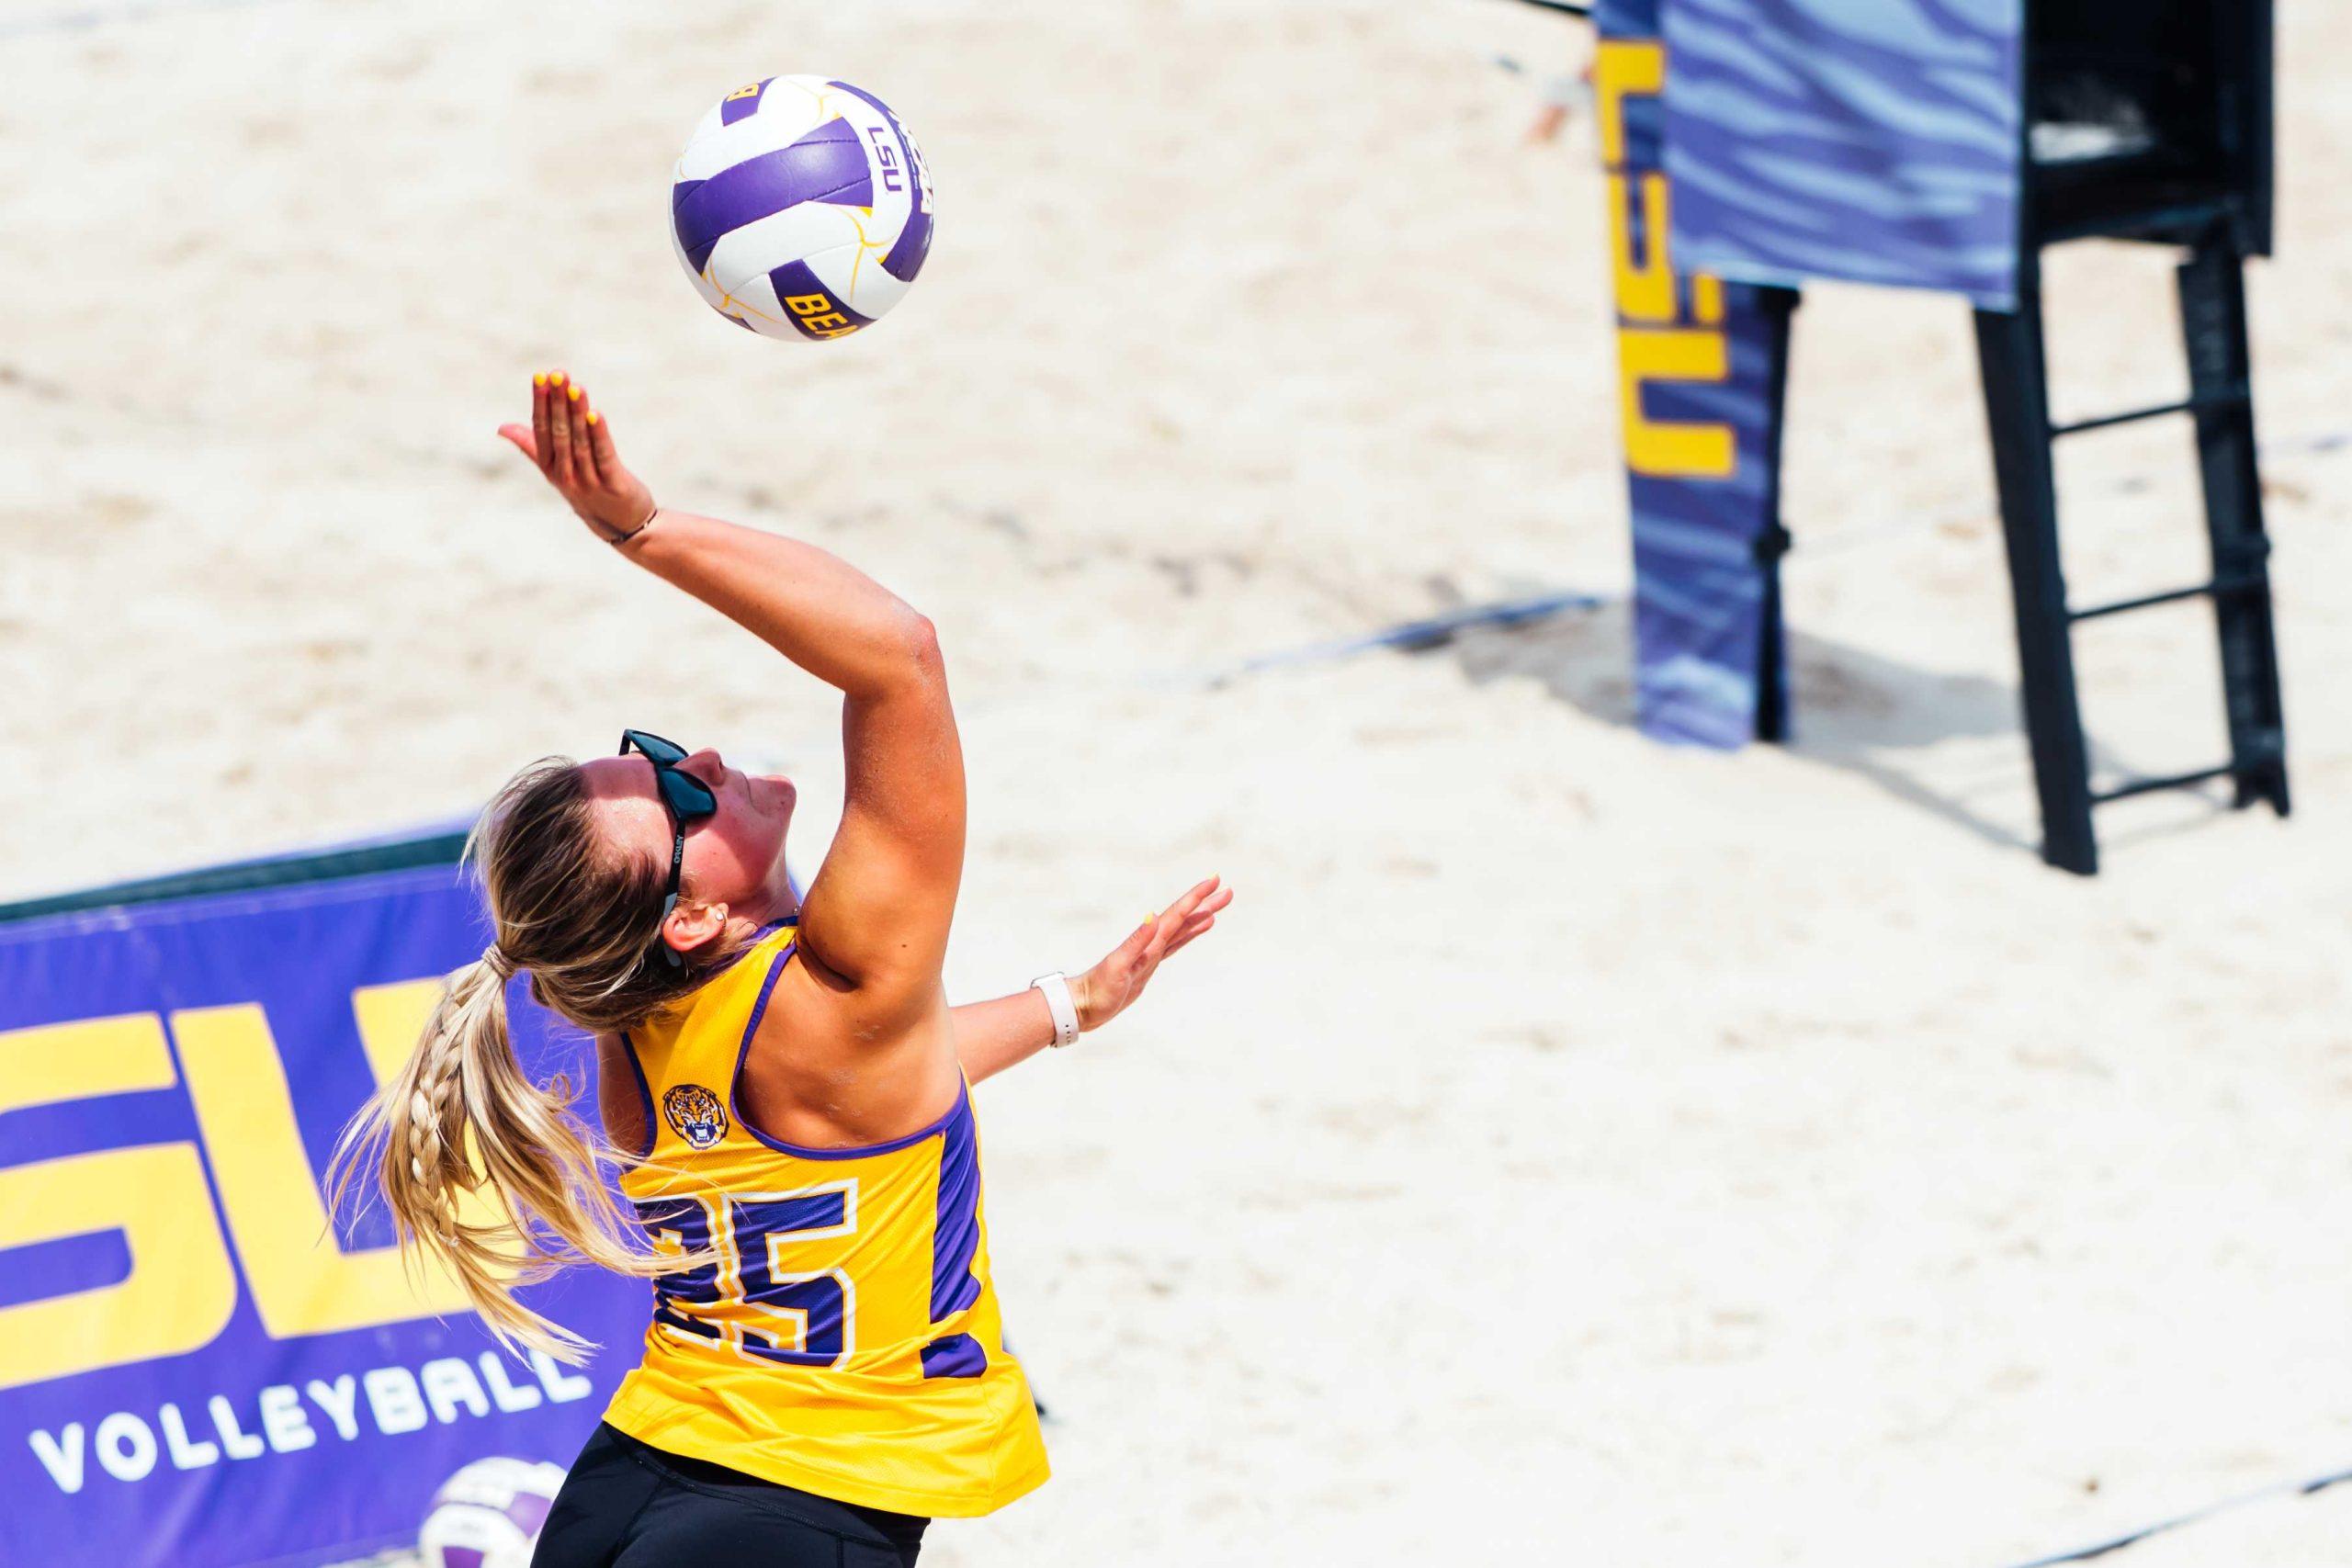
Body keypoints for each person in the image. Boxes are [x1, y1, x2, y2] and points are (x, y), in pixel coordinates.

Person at [339, 368, 1230, 1568]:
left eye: (651, 752)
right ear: (694, 919)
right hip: (799, 1506)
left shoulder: (646, 1034)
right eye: (680, 793)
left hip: (642, 1466)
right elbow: (898, 659)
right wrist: (638, 528)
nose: (698, 752)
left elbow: (883, 1098)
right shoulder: (839, 992)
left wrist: (1067, 1006)